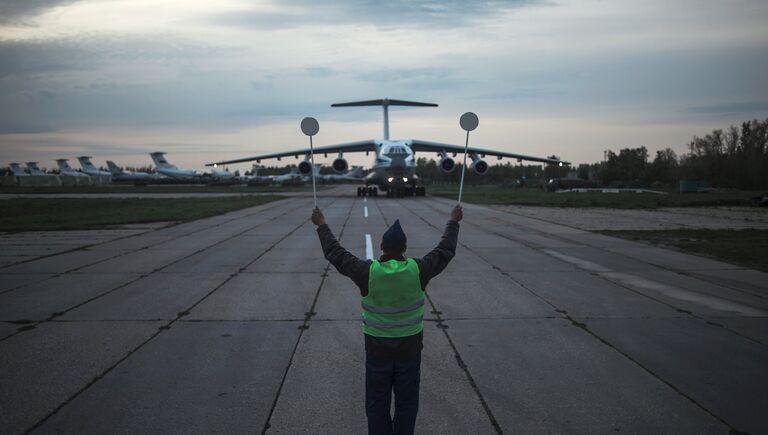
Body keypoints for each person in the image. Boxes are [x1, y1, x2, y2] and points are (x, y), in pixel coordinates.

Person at [311, 204, 463, 435]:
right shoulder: (418, 270)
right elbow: (445, 250)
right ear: (404, 249)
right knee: (407, 404)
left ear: (381, 247)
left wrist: (322, 225)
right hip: (410, 352)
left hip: (377, 351)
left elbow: (336, 253)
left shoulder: (367, 271)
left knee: (376, 405)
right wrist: (453, 221)